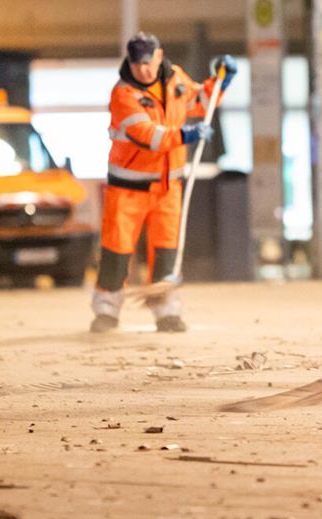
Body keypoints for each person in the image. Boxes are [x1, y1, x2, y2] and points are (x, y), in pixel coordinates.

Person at [89, 31, 237, 333]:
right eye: (136, 63)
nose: (142, 69)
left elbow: (200, 102)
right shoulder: (123, 95)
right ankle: (106, 310)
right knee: (117, 250)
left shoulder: (177, 80)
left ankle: (166, 310)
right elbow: (149, 135)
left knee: (167, 250)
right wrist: (186, 135)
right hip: (128, 190)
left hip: (168, 188)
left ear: (159, 56)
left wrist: (222, 80)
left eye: (146, 62)